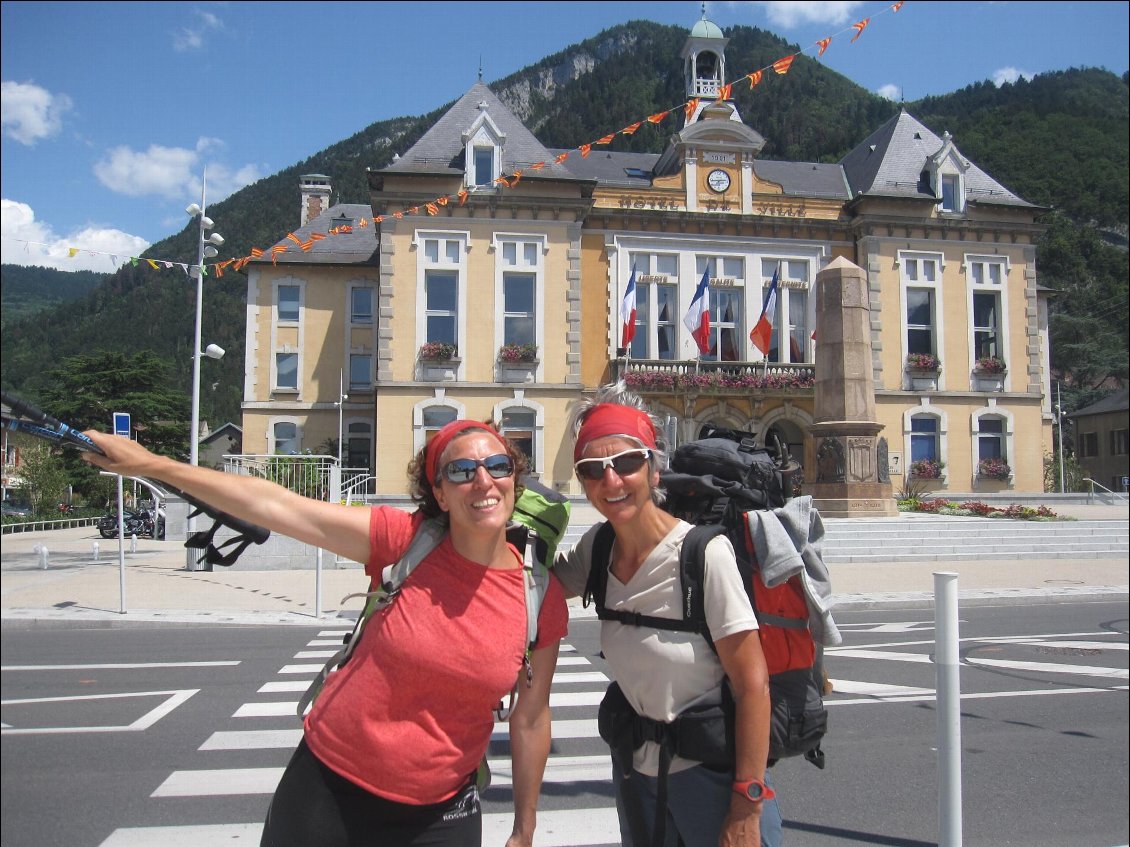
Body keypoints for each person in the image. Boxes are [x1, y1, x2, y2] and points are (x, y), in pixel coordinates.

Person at [81, 419, 568, 847]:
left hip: (441, 813)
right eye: (461, 471)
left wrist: (524, 831)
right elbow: (277, 506)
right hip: (328, 790)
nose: (482, 480)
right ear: (439, 492)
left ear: (514, 480)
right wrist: (152, 464)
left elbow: (530, 719)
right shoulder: (405, 541)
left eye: (498, 466)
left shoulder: (538, 596)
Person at [553, 384, 783, 847]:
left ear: (654, 470)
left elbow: (753, 686)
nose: (611, 480)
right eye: (593, 469)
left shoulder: (702, 555)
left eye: (627, 462)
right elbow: (528, 590)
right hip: (637, 776)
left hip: (713, 780)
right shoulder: (595, 549)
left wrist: (746, 803)